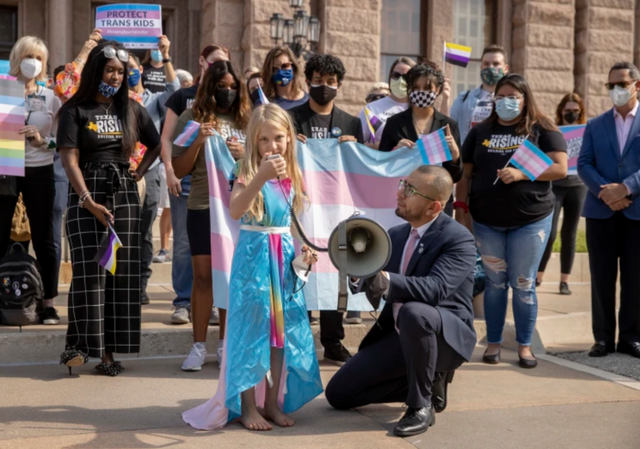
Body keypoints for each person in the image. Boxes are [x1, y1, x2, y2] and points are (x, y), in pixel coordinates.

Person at [182, 103, 323, 431]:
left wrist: (302, 252)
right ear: (252, 142)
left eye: (278, 138)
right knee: (250, 332)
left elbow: (288, 222)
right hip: (254, 259)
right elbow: (235, 210)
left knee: (280, 336)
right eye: (263, 140)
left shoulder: (293, 174)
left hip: (283, 259)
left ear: (289, 138)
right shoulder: (245, 170)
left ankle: (271, 404)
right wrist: (260, 176)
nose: (271, 146)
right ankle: (247, 406)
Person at [325, 166, 476, 438]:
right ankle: (429, 381)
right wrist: (359, 273)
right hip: (399, 335)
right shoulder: (395, 235)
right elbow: (376, 285)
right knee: (339, 394)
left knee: (414, 312)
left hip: (444, 336)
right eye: (403, 184)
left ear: (434, 207)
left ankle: (420, 405)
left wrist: (385, 278)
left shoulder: (458, 238)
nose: (400, 193)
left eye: (410, 190)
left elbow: (436, 289)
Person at [57, 40, 161, 376]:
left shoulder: (131, 109)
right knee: (89, 274)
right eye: (110, 70)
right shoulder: (75, 110)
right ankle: (79, 348)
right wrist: (88, 200)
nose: (116, 77)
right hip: (85, 194)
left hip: (123, 194)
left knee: (119, 274)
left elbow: (157, 144)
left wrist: (138, 172)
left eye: (121, 72)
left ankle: (108, 353)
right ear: (96, 71)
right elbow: (68, 158)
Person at [456, 73, 568, 368]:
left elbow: (560, 168)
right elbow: (465, 175)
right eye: (500, 96)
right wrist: (461, 210)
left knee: (523, 283)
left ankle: (524, 346)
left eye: (512, 97)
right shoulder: (481, 130)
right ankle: (493, 343)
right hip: (487, 221)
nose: (506, 102)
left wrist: (522, 173)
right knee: (494, 284)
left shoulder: (541, 128)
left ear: (524, 98)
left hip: (530, 221)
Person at [172, 60, 251, 371]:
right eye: (221, 87)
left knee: (230, 279)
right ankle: (198, 345)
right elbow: (179, 169)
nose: (228, 93)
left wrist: (246, 155)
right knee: (203, 277)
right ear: (209, 87)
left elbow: (265, 161)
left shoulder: (247, 120)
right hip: (203, 206)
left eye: (233, 88)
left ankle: (225, 344)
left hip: (238, 208)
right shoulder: (192, 118)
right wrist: (199, 141)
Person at [288, 53, 362, 365]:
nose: (324, 86)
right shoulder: (292, 119)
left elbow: (362, 168)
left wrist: (355, 148)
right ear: (307, 81)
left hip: (337, 211)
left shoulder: (351, 122)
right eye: (318, 80)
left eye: (330, 82)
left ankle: (333, 341)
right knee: (302, 269)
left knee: (335, 271)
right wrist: (293, 145)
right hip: (303, 208)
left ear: (339, 85)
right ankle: (300, 339)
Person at [162, 44, 229, 326]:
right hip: (184, 179)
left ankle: (211, 302)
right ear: (202, 62)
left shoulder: (228, 104)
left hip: (216, 184)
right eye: (214, 62)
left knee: (216, 246)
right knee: (182, 244)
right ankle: (182, 302)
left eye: (224, 63)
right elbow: (167, 138)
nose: (218, 67)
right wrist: (169, 171)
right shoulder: (183, 97)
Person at [578, 61, 640, 359]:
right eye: (610, 85)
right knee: (601, 277)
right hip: (601, 212)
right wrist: (608, 193)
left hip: (636, 210)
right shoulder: (595, 124)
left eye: (621, 84)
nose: (615, 90)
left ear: (636, 86)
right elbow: (583, 164)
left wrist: (626, 188)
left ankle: (631, 337)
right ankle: (603, 338)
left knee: (635, 277)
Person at [0, 36, 61, 325]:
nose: (33, 62)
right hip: (6, 169)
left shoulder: (51, 97)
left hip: (40, 170)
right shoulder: (2, 91)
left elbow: (60, 144)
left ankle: (48, 302)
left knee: (44, 238)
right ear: (17, 58)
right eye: (28, 56)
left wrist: (41, 140)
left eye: (38, 57)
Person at [127, 36, 179, 305]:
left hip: (147, 171)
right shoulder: (110, 100)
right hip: (119, 172)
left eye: (133, 67)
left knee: (144, 232)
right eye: (124, 68)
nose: (129, 72)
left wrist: (166, 56)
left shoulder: (154, 100)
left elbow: (174, 90)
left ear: (142, 71)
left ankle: (140, 285)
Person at [378, 62, 463, 215]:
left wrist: (455, 155)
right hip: (403, 202)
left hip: (438, 205)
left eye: (427, 88)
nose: (421, 92)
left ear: (437, 90)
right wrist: (395, 150)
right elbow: (381, 165)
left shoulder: (448, 126)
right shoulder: (394, 123)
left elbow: (455, 176)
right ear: (409, 89)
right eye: (416, 87)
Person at [537, 93, 588, 294]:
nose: (572, 114)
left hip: (578, 186)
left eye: (575, 111)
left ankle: (564, 281)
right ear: (561, 111)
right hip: (556, 185)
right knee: (549, 234)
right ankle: (539, 275)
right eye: (568, 111)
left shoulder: (586, 130)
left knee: (570, 233)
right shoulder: (553, 130)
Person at [450, 45, 509, 143]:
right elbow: (448, 126)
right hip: (470, 156)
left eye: (496, 63)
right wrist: (445, 98)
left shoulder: (513, 101)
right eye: (486, 63)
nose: (490, 67)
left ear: (505, 68)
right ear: (481, 67)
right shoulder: (464, 98)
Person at [358, 57, 416, 149]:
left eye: (406, 77)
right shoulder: (371, 109)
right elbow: (358, 145)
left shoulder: (419, 109)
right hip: (380, 162)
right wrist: (391, 146)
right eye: (396, 75)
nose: (400, 81)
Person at [260, 46, 308, 110]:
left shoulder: (308, 101)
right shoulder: (264, 104)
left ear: (293, 67)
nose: (280, 71)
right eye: (275, 68)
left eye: (285, 66)